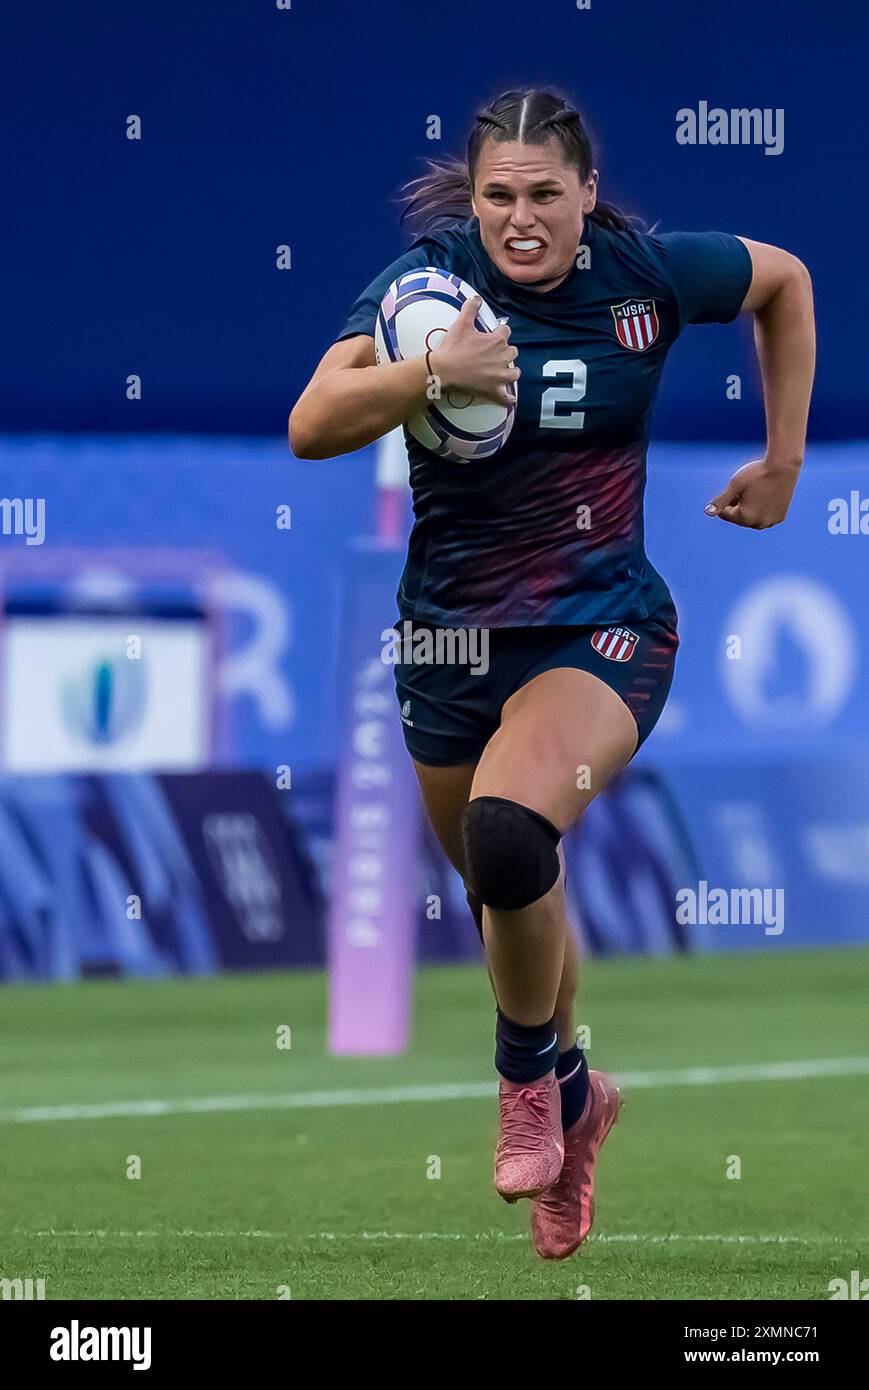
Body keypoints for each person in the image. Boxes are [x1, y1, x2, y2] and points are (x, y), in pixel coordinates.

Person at [289, 88, 815, 1259]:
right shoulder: (424, 291)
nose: (519, 219)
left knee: (513, 834)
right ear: (469, 200)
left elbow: (782, 281)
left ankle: (525, 1077)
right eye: (496, 197)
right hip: (449, 641)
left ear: (585, 193)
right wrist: (432, 373)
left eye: (542, 195)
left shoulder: (645, 276)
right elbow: (313, 424)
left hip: (598, 627)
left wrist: (782, 459)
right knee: (503, 897)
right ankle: (578, 1096)